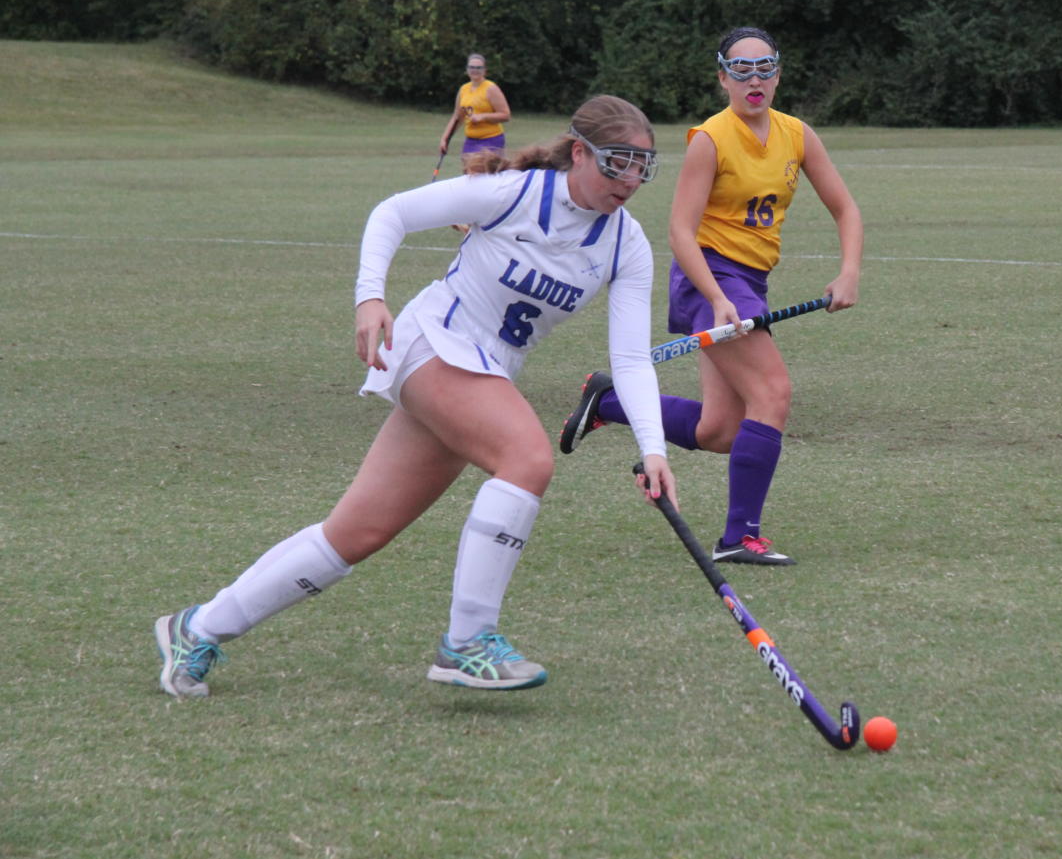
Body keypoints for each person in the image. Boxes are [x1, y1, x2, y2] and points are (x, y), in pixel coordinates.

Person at [155, 95, 677, 699]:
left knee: (354, 534)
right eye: (618, 163)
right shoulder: (514, 193)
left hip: (483, 374)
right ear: (580, 153)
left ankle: (196, 629)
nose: (632, 180)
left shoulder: (626, 244)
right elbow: (393, 213)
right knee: (527, 458)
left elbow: (632, 358)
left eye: (643, 166)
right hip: (435, 343)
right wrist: (370, 297)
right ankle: (469, 642)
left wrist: (654, 447)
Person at [559, 27, 863, 566]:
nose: (754, 80)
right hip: (711, 279)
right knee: (773, 393)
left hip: (751, 284)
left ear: (778, 73)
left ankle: (607, 400)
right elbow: (680, 230)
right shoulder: (710, 139)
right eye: (740, 70)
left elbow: (845, 208)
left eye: (765, 68)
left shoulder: (797, 134)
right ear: (722, 77)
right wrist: (717, 297)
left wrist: (849, 271)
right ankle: (739, 537)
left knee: (719, 430)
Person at [438, 52, 511, 174]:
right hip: (471, 140)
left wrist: (483, 117)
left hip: (491, 140)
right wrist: (445, 138)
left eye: (478, 68)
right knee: (468, 175)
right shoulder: (464, 89)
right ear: (467, 69)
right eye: (471, 67)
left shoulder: (491, 88)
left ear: (485, 70)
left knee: (483, 175)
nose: (475, 70)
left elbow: (506, 115)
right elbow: (457, 116)